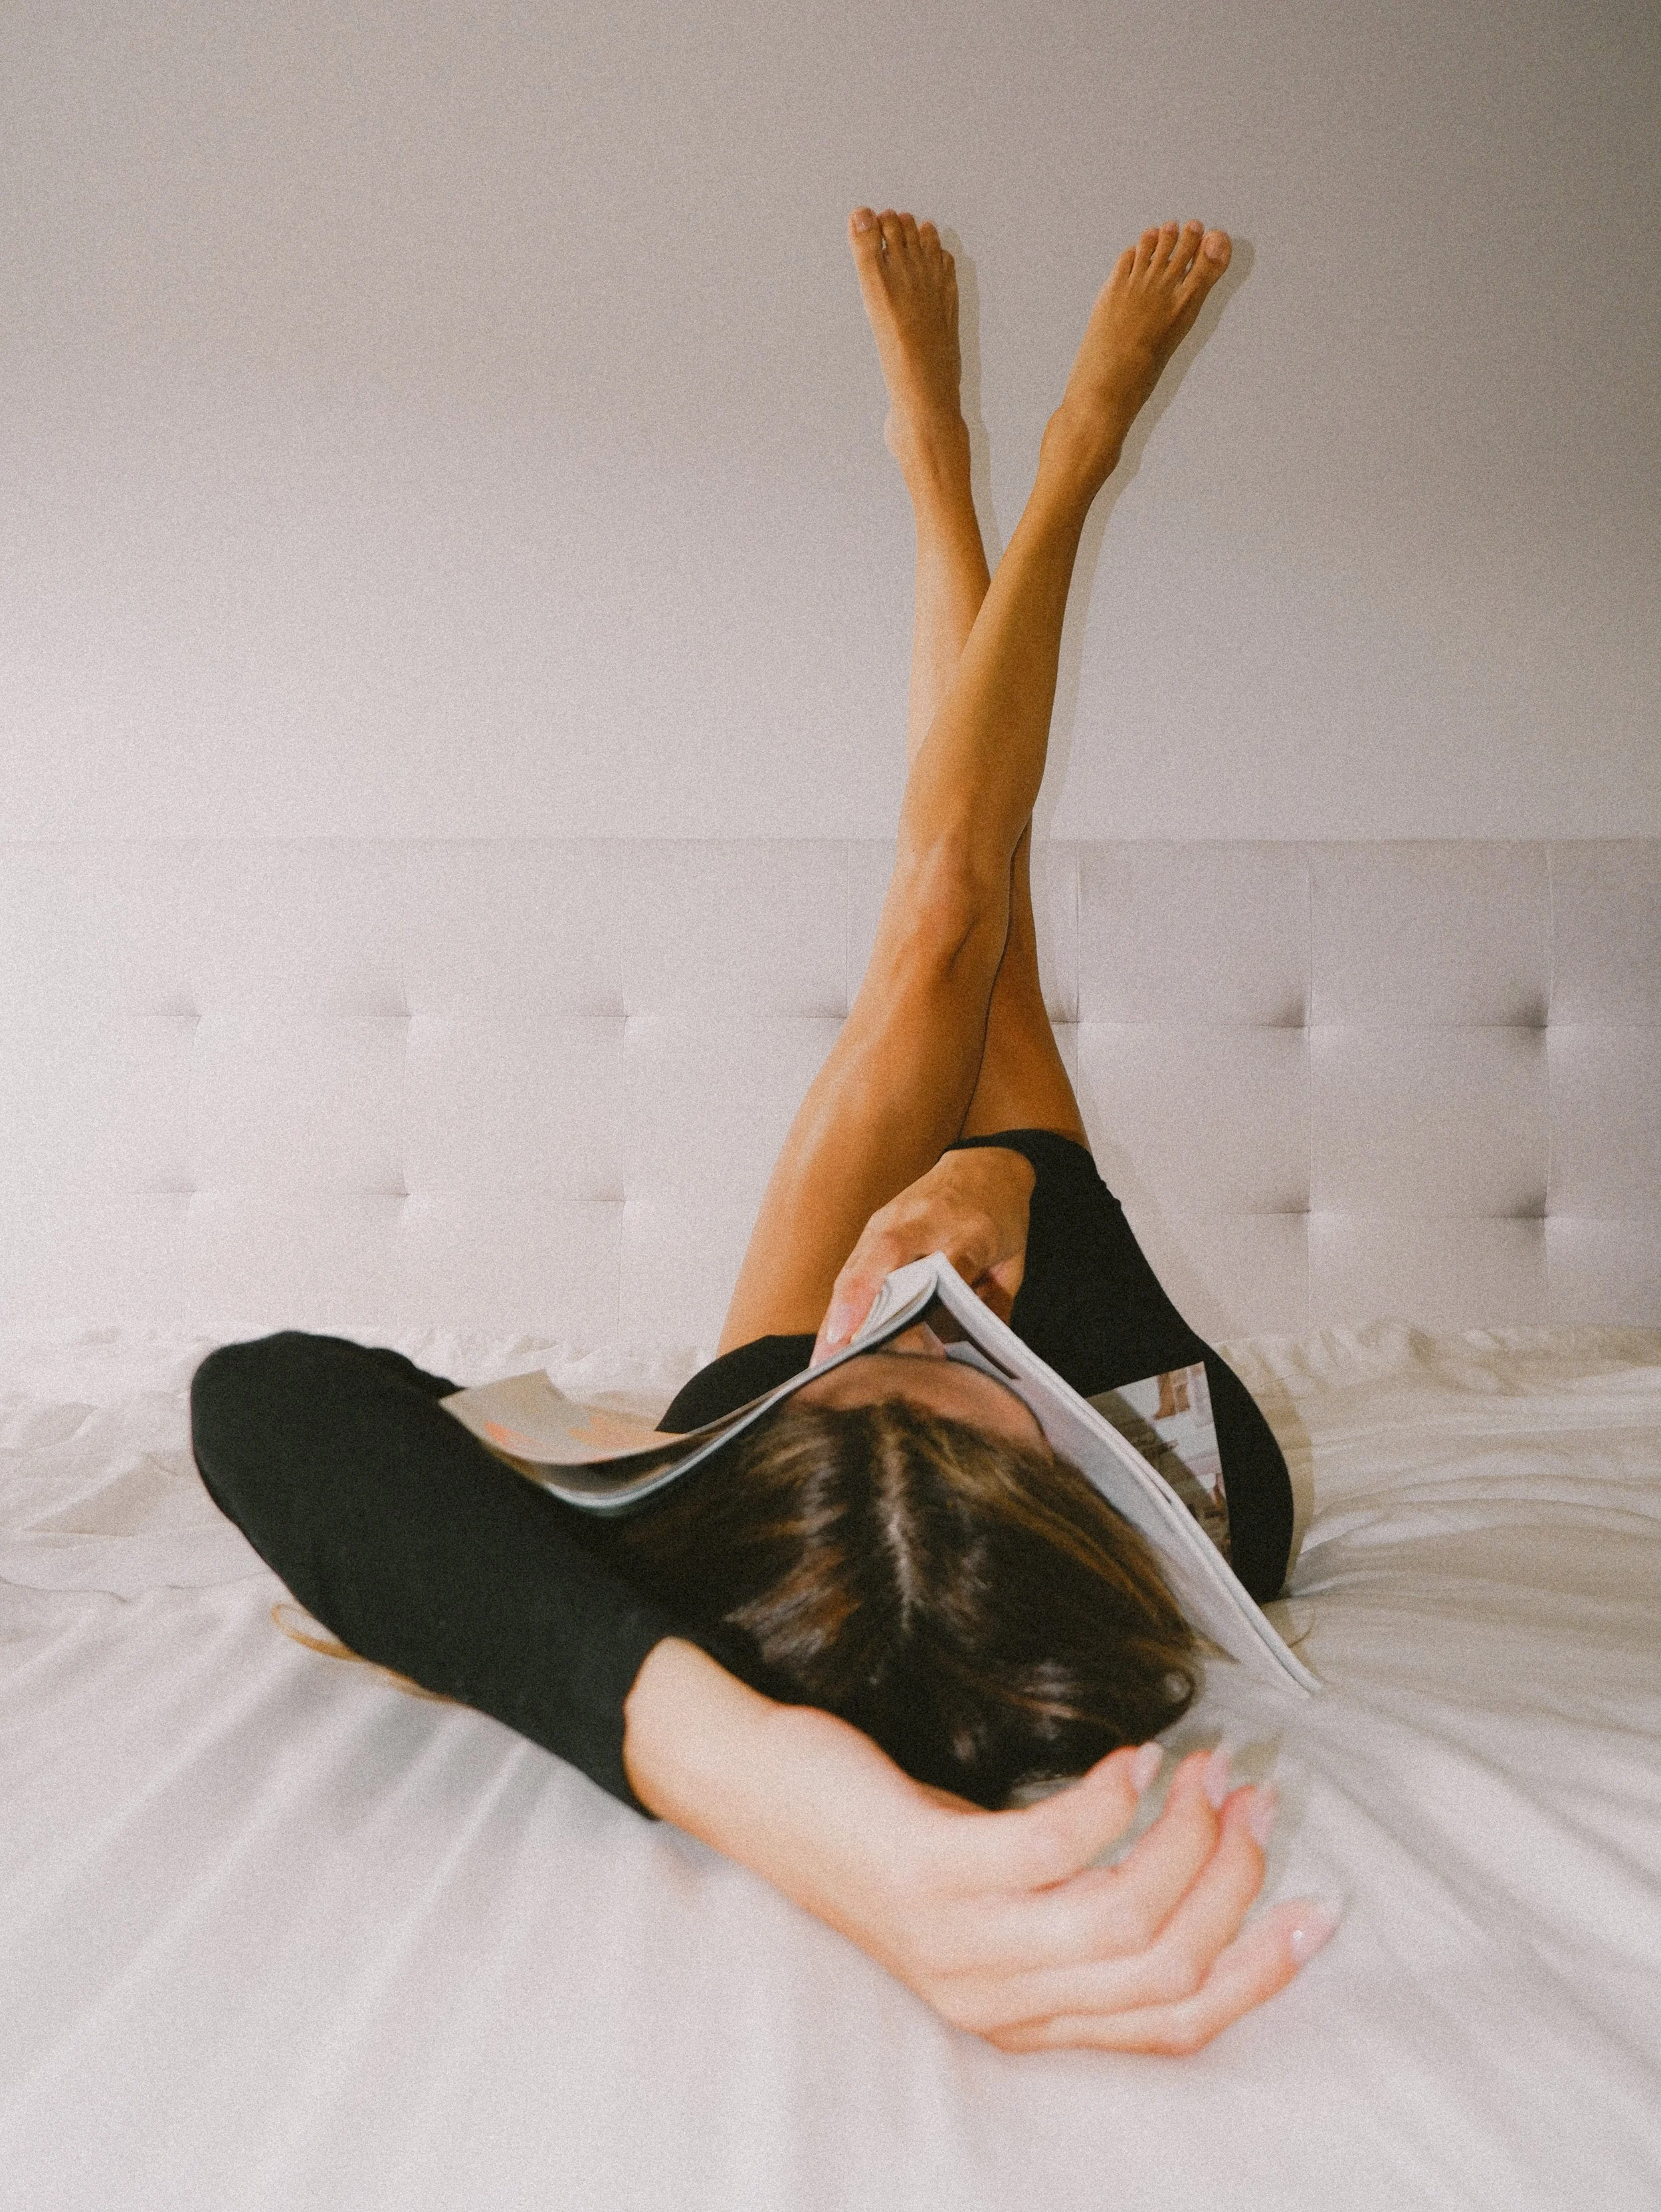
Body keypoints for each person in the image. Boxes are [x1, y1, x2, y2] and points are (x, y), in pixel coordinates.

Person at [191, 208, 1338, 2055]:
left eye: (862, 1366)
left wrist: (760, 1780)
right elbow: (1020, 1178)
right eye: (939, 1366)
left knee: (930, 927)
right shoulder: (1187, 1476)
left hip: (768, 1452)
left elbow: (261, 1397)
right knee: (991, 941)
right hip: (1097, 1379)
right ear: (1050, 1459)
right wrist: (994, 1189)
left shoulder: (745, 1460)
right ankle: (1068, 460)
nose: (899, 1323)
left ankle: (941, 469)